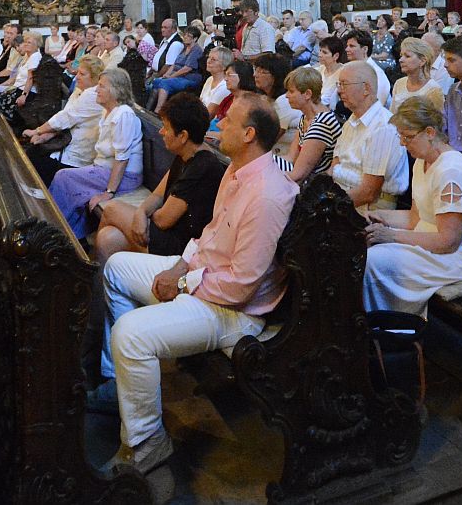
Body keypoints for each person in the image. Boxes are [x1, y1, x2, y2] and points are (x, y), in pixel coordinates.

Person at [89, 95, 296, 475]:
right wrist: (182, 266)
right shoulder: (236, 171)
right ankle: (121, 384)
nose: (218, 126)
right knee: (116, 267)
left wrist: (182, 283)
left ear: (249, 134)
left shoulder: (267, 193)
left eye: (227, 121)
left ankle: (147, 442)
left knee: (130, 334)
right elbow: (208, 235)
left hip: (233, 312)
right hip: (202, 277)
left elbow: (242, 286)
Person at [362, 96, 462, 316]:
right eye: (401, 137)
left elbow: (448, 241)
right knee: (365, 245)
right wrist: (378, 216)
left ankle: (390, 329)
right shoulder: (422, 162)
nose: (402, 144)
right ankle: (376, 324)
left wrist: (391, 236)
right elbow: (417, 218)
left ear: (430, 133)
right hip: (434, 243)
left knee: (373, 260)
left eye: (408, 138)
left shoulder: (451, 171)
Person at [92, 93, 226, 266]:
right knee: (107, 238)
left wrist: (144, 216)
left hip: (180, 248)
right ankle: (101, 286)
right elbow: (157, 196)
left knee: (111, 209)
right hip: (165, 234)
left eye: (166, 127)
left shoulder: (203, 165)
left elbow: (164, 220)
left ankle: (86, 272)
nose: (161, 131)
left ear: (183, 136)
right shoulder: (185, 153)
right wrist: (140, 213)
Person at [49, 71, 144, 237]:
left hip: (125, 177)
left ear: (116, 90)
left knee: (63, 176)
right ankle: (68, 234)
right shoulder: (107, 111)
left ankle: (54, 230)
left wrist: (109, 193)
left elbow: (122, 159)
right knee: (69, 182)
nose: (96, 90)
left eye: (101, 86)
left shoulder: (124, 114)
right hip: (105, 170)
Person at [333, 60, 410, 211]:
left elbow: (368, 192)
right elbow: (335, 165)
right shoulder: (352, 121)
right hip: (344, 198)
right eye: (338, 84)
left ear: (366, 88)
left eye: (344, 84)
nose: (339, 90)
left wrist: (333, 207)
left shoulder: (384, 127)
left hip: (370, 208)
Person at [25, 55, 106, 181]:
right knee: (31, 152)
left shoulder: (93, 94)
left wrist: (38, 131)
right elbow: (65, 118)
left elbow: (65, 118)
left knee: (34, 163)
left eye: (82, 74)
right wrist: (46, 135)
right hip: (64, 143)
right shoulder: (80, 90)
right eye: (78, 72)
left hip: (76, 155)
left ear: (94, 78)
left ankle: (40, 198)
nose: (77, 76)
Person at [276, 65, 341, 179]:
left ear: (307, 94)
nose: (286, 96)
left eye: (291, 91)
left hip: (311, 186)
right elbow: (291, 158)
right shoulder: (306, 118)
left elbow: (299, 174)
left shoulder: (323, 123)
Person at [147, 25, 204, 110]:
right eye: (185, 35)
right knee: (156, 81)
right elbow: (174, 64)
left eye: (189, 36)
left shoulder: (196, 50)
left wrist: (171, 77)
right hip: (177, 76)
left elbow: (187, 68)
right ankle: (149, 109)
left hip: (189, 78)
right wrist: (166, 74)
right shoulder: (185, 48)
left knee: (165, 83)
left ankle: (158, 110)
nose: (185, 37)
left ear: (195, 39)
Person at [391, 37, 446, 112]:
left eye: (407, 56)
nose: (401, 60)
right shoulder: (399, 83)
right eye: (401, 55)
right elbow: (392, 115)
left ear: (422, 61)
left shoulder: (434, 90)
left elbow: (438, 121)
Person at [343, 29, 392, 105]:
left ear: (365, 49)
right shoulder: (349, 68)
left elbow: (377, 105)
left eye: (351, 46)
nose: (346, 49)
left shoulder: (377, 74)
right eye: (347, 46)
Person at [315, 34, 348, 112]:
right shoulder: (319, 70)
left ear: (336, 56)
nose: (319, 55)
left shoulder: (344, 73)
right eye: (320, 51)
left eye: (324, 52)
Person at [199, 46, 234, 116]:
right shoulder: (210, 79)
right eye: (209, 57)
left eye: (213, 59)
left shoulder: (225, 86)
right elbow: (199, 103)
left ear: (224, 65)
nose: (208, 61)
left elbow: (209, 115)